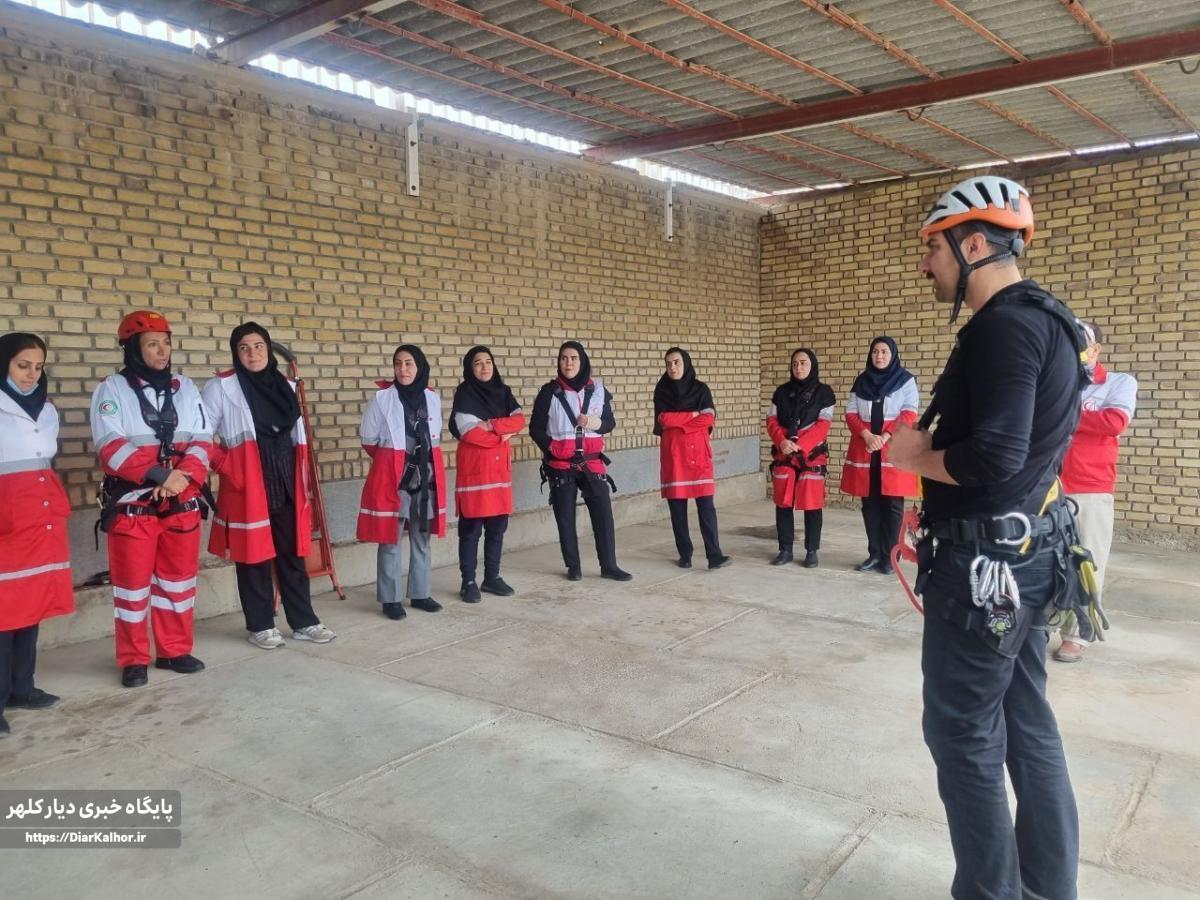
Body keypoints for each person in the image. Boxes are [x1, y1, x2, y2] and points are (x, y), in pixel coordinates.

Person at [890, 175, 1087, 900]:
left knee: (963, 735)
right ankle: (1046, 889)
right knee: (1026, 721)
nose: (927, 266)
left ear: (974, 245)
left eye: (934, 250)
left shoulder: (1005, 328)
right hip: (1027, 557)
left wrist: (913, 459)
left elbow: (997, 455)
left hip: (985, 571)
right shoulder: (1051, 320)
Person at [90, 311, 212, 688]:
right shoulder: (111, 389)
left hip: (181, 499)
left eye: (167, 342)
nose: (163, 351)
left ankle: (174, 651)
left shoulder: (185, 387)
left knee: (178, 583)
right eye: (152, 344)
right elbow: (110, 446)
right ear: (133, 349)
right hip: (134, 504)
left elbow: (204, 440)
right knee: (131, 588)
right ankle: (133, 659)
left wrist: (180, 478)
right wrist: (160, 475)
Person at [203, 323, 336, 649]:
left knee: (293, 556)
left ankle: (304, 621)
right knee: (253, 558)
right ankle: (261, 625)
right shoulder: (221, 387)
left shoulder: (286, 386)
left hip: (287, 483)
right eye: (244, 348)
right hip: (248, 484)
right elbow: (200, 435)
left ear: (268, 349)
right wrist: (227, 467)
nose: (253, 353)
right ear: (235, 353)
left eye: (259, 346)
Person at [0, 333, 73, 737]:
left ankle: (21, 688)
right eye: (22, 365)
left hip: (39, 515)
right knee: (3, 612)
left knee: (30, 605)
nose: (31, 374)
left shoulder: (46, 409)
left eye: (38, 366)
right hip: (6, 520)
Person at [1054, 321, 1136, 664]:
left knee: (1086, 563)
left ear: (1096, 349)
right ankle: (1040, 625)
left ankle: (1077, 634)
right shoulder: (1055, 383)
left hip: (1090, 486)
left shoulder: (1119, 383)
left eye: (1081, 342)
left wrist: (1062, 413)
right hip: (1047, 485)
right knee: (1043, 560)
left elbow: (1113, 422)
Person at [530, 341, 631, 582]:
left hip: (591, 463)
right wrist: (551, 447)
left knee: (603, 514)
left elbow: (609, 423)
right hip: (560, 465)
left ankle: (609, 566)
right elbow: (535, 428)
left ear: (582, 360)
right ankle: (573, 567)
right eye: (564, 358)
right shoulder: (548, 392)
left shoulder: (598, 390)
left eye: (573, 358)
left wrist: (594, 423)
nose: (568, 363)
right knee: (565, 518)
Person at [358, 345, 447, 619]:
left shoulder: (433, 398)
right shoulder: (382, 398)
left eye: (409, 363)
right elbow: (368, 439)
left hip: (426, 479)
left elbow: (436, 437)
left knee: (421, 537)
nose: (403, 369)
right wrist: (393, 463)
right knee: (390, 539)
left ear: (419, 367)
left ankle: (420, 594)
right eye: (398, 363)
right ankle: (390, 599)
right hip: (393, 480)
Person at [449, 346, 526, 603]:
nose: (484, 367)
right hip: (475, 472)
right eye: (478, 363)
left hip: (499, 473)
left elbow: (519, 420)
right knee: (471, 529)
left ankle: (491, 578)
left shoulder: (503, 392)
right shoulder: (465, 394)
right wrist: (502, 437)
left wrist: (492, 425)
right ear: (470, 368)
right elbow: (468, 432)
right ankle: (468, 582)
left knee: (497, 528)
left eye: (488, 362)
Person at [840, 336, 919, 575]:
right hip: (866, 451)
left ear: (892, 355)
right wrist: (866, 435)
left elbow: (909, 413)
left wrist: (884, 437)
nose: (879, 356)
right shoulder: (861, 381)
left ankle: (890, 557)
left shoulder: (905, 380)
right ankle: (874, 554)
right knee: (870, 505)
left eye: (884, 351)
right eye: (875, 351)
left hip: (892, 449)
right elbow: (850, 413)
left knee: (892, 506)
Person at [654, 347, 730, 570]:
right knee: (677, 508)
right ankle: (685, 554)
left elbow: (708, 419)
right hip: (674, 455)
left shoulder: (701, 389)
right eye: (668, 363)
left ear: (685, 363)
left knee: (706, 506)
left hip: (698, 455)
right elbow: (663, 420)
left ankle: (714, 555)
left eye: (676, 362)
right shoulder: (662, 390)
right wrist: (693, 416)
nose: (672, 367)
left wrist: (680, 422)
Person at [766, 349, 834, 568]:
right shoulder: (781, 393)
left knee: (812, 502)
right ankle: (785, 549)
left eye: (803, 363)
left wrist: (801, 445)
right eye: (795, 364)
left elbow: (823, 425)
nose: (799, 367)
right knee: (783, 502)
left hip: (811, 454)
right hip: (784, 452)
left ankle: (812, 551)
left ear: (812, 365)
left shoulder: (824, 393)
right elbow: (771, 421)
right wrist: (782, 442)